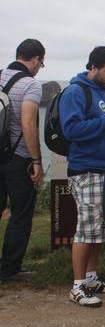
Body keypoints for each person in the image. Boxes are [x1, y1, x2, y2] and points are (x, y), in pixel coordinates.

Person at [59, 46, 105, 307]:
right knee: (86, 230)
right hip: (86, 170)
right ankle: (77, 286)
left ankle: (91, 277)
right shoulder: (76, 92)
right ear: (94, 67)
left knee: (99, 229)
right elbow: (71, 129)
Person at [0, 39, 45, 283]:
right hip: (18, 158)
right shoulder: (30, 84)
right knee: (20, 214)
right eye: (41, 63)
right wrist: (36, 160)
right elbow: (28, 123)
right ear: (36, 59)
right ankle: (9, 268)